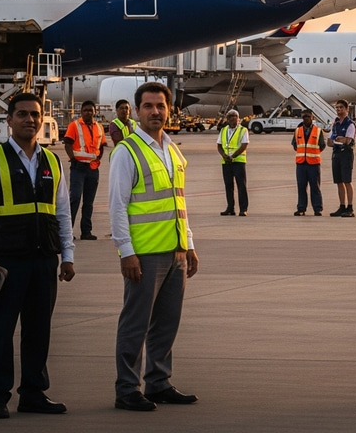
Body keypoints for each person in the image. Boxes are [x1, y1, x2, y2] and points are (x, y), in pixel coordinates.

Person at [0, 91, 75, 419]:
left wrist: (67, 255)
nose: (30, 120)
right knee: (1, 329)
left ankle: (33, 393)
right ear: (9, 120)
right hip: (6, 262)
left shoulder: (52, 161)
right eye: (22, 114)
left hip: (44, 260)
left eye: (35, 115)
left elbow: (62, 212)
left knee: (38, 329)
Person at [108, 81, 199, 411]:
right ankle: (127, 388)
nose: (155, 112)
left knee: (167, 322)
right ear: (137, 111)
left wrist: (188, 244)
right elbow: (117, 206)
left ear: (169, 109)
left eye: (160, 106)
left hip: (175, 252)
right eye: (148, 106)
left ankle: (158, 382)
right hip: (144, 254)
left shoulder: (173, 149)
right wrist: (126, 251)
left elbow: (178, 200)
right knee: (136, 323)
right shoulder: (127, 151)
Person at [64, 100, 106, 240]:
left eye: (91, 110)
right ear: (81, 112)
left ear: (94, 112)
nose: (88, 112)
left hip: (92, 169)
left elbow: (101, 146)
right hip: (78, 168)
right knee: (75, 198)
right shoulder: (74, 125)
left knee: (89, 202)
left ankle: (86, 232)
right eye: (86, 110)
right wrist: (73, 159)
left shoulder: (99, 127)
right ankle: (67, 232)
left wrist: (98, 157)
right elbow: (68, 144)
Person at [292, 109, 326, 216]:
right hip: (301, 163)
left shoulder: (318, 131)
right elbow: (295, 145)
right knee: (301, 187)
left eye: (308, 116)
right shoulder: (298, 131)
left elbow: (322, 145)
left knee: (315, 187)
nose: (306, 118)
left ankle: (318, 208)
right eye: (304, 117)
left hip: (313, 163)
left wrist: (312, 153)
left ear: (312, 118)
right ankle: (301, 208)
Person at [327, 99, 356, 216]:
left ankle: (350, 207)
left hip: (346, 154)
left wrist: (341, 140)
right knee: (339, 181)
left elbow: (349, 140)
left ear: (346, 109)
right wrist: (339, 140)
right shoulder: (335, 123)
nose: (338, 110)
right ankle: (342, 206)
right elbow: (329, 141)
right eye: (337, 108)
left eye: (341, 108)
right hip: (336, 154)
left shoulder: (350, 124)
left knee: (347, 181)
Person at [217, 109, 249, 216]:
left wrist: (233, 156)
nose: (232, 118)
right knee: (228, 186)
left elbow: (244, 145)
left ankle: (243, 209)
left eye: (234, 116)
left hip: (238, 161)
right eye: (230, 116)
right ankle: (230, 208)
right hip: (226, 162)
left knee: (241, 185)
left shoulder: (243, 130)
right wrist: (224, 155)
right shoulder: (223, 130)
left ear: (238, 118)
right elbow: (219, 145)